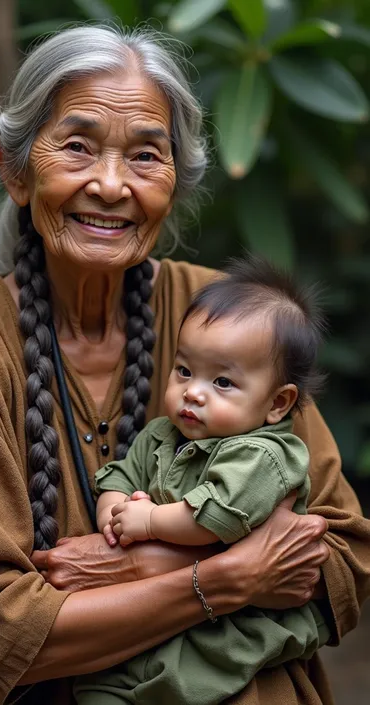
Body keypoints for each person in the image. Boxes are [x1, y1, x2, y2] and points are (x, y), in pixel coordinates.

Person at [0, 23, 369, 705]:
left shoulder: (225, 321)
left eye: (146, 156)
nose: (112, 185)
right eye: (79, 146)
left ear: (174, 183)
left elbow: (345, 553)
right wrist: (229, 577)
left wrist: (133, 562)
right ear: (14, 168)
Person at [74, 256, 330, 705]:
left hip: (232, 627)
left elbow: (214, 516)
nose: (193, 391)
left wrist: (149, 522)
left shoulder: (262, 455)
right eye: (185, 371)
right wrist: (112, 514)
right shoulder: (162, 433)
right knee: (100, 687)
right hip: (170, 613)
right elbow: (120, 474)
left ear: (277, 403)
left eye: (223, 382)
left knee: (179, 687)